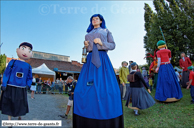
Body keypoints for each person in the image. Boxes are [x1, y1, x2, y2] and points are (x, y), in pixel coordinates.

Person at [73, 14, 124, 128]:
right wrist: (86, 46)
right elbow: (88, 49)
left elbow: (113, 45)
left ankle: (105, 112)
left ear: (101, 21)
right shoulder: (88, 34)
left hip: (102, 58)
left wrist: (102, 43)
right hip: (90, 59)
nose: (94, 20)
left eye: (96, 19)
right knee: (85, 88)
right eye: (92, 19)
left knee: (104, 88)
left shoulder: (106, 31)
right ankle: (86, 111)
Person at [0, 42, 33, 121]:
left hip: (21, 87)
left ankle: (19, 115)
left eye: (29, 50)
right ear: (17, 50)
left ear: (31, 53)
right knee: (9, 103)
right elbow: (6, 73)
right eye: (23, 48)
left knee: (20, 103)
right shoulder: (12, 62)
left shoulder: (28, 66)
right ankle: (9, 120)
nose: (25, 52)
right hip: (10, 86)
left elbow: (29, 77)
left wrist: (28, 85)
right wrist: (4, 83)